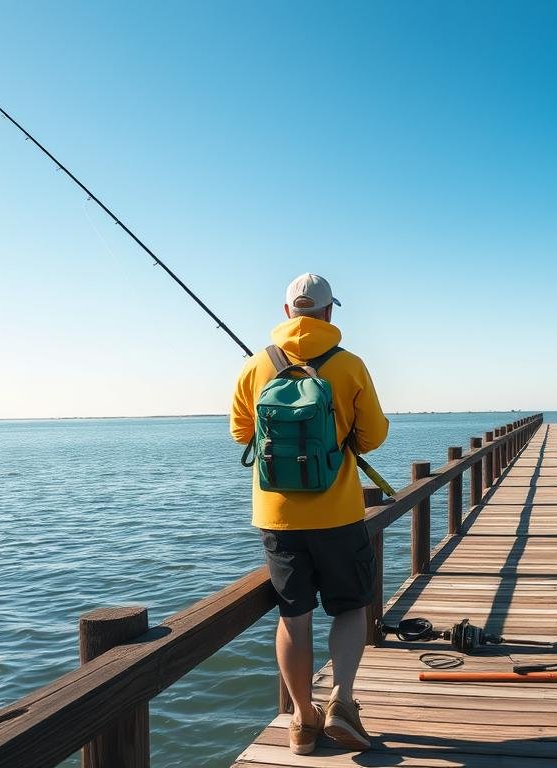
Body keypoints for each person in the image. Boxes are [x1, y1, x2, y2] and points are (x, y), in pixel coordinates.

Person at [230, 273, 388, 755]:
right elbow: (373, 435)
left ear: (286, 313)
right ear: (329, 313)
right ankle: (342, 700)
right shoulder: (349, 365)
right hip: (338, 512)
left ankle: (302, 719)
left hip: (277, 517)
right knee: (349, 608)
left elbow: (242, 435)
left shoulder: (257, 366)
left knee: (294, 618)